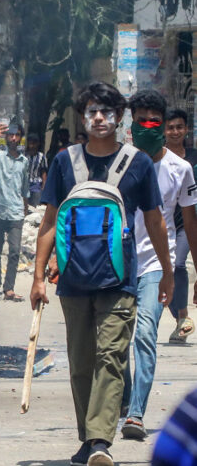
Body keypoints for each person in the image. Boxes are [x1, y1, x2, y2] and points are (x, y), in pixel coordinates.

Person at [30, 82, 172, 466]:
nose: (98, 118)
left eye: (106, 112)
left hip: (120, 280)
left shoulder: (138, 163)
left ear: (119, 117)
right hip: (73, 281)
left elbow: (156, 223)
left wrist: (168, 272)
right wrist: (38, 277)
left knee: (111, 357)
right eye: (92, 111)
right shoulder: (64, 162)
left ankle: (99, 442)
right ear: (82, 116)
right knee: (81, 362)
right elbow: (49, 222)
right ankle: (87, 437)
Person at [120, 91, 197, 440]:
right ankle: (122, 399)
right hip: (117, 263)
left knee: (146, 334)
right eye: (141, 121)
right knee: (115, 342)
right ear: (131, 125)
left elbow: (191, 222)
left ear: (163, 126)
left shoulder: (181, 169)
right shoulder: (117, 162)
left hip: (155, 263)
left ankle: (136, 414)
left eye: (155, 121)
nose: (148, 127)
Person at [0, 121, 29, 302]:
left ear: (20, 137)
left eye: (17, 135)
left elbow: (25, 188)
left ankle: (9, 289)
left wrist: (25, 209)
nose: (13, 138)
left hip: (16, 212)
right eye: (10, 134)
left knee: (15, 250)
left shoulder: (24, 162)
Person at [163, 108, 197, 343]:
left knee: (177, 264)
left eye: (179, 127)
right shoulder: (156, 158)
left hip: (188, 222)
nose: (175, 132)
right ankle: (179, 319)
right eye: (170, 127)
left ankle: (183, 316)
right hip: (163, 223)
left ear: (186, 129)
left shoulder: (193, 158)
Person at [25, 133, 48, 207]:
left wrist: (44, 186)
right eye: (30, 143)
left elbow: (44, 172)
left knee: (36, 208)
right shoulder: (24, 156)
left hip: (37, 185)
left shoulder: (41, 156)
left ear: (37, 144)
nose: (32, 146)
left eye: (34, 143)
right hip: (25, 184)